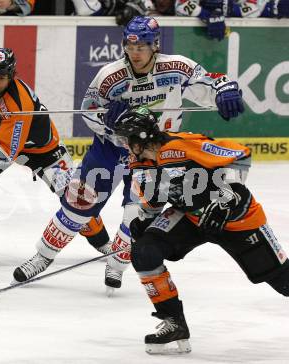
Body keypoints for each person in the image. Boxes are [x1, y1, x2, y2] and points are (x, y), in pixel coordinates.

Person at [14, 15, 245, 295]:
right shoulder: (110, 76)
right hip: (111, 148)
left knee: (137, 213)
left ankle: (117, 263)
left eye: (142, 47)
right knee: (79, 202)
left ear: (155, 46)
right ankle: (43, 256)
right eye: (131, 46)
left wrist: (224, 90)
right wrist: (109, 121)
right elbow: (89, 110)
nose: (135, 53)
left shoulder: (177, 67)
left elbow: (210, 83)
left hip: (156, 153)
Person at [113, 106, 289, 354]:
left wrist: (224, 199)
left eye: (125, 139)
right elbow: (154, 201)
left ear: (140, 138)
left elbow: (240, 155)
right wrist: (144, 223)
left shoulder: (180, 146)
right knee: (145, 252)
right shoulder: (139, 163)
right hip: (192, 218)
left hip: (237, 218)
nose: (123, 144)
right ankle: (174, 322)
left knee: (284, 283)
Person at [0, 46, 112, 263]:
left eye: (1, 77)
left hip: (44, 150)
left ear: (11, 75)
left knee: (76, 199)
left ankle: (103, 243)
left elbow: (7, 152)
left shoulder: (19, 104)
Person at [176, 0, 289, 41]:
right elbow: (180, 4)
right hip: (191, 40)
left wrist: (231, 11)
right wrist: (206, 14)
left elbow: (257, 6)